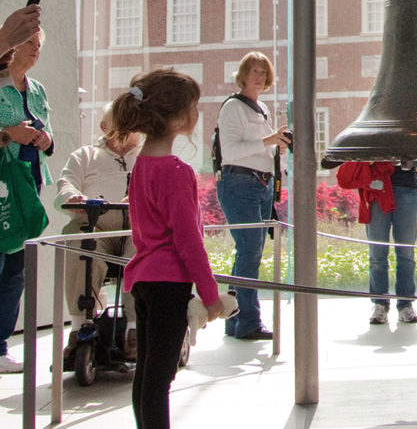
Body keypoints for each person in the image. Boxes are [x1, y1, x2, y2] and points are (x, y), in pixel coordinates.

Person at [109, 68, 223, 429]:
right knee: (160, 378)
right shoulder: (175, 171)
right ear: (178, 118)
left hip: (143, 280)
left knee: (147, 373)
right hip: (167, 284)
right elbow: (188, 242)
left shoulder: (141, 164)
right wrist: (211, 296)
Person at [56, 108, 141, 361]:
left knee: (145, 242)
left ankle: (134, 329)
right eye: (122, 120)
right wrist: (73, 197)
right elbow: (66, 182)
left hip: (135, 228)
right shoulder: (85, 155)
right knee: (76, 236)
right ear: (105, 126)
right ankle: (80, 324)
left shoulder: (148, 156)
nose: (129, 126)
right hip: (96, 226)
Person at [214, 52, 288, 340]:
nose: (258, 76)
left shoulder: (261, 108)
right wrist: (269, 140)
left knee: (247, 253)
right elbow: (230, 152)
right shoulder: (233, 107)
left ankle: (235, 320)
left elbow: (259, 150)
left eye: (263, 71)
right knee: (249, 253)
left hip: (259, 184)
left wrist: (276, 148)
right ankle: (248, 321)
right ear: (243, 75)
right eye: (253, 70)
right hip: (239, 183)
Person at [0, 27, 54, 375]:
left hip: (28, 187)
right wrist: (8, 135)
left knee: (15, 272)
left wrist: (45, 139)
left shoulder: (38, 90)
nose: (35, 50)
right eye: (29, 44)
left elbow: (50, 141)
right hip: (2, 188)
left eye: (39, 45)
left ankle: (1, 344)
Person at [337, 160, 417, 325]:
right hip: (377, 190)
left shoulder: (413, 134)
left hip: (407, 190)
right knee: (377, 253)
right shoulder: (370, 133)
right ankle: (380, 303)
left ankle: (405, 304)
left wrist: (408, 158)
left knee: (406, 253)